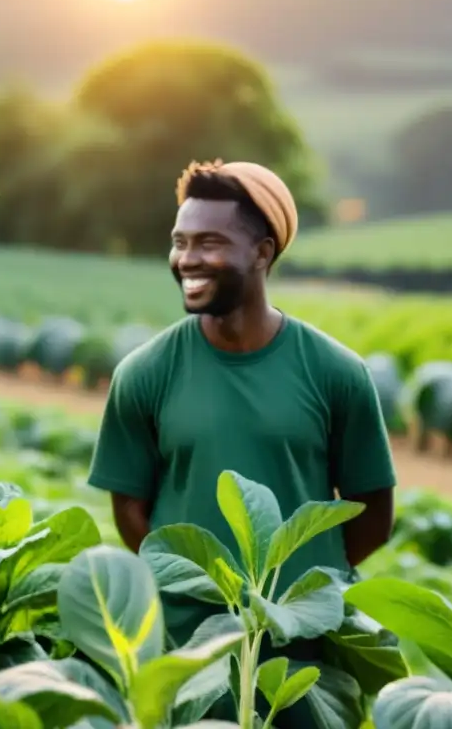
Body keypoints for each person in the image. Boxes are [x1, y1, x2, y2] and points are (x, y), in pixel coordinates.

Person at [87, 160, 396, 726]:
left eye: (210, 242)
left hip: (304, 670)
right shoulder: (145, 372)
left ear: (262, 252)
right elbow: (130, 510)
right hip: (186, 657)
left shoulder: (336, 372)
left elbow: (373, 511)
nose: (187, 259)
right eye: (180, 242)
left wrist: (299, 594)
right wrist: (205, 590)